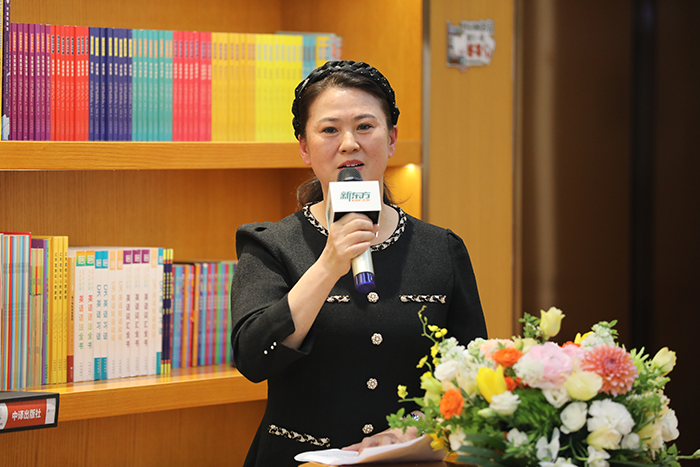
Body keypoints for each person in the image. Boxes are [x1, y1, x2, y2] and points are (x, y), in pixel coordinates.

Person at [230, 60, 487, 467]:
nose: (349, 143)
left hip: (408, 461)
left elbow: (472, 376)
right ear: (304, 147)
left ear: (391, 139)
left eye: (365, 126)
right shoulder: (270, 246)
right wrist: (328, 264)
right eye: (330, 130)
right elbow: (253, 358)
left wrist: (417, 426)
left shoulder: (442, 248)